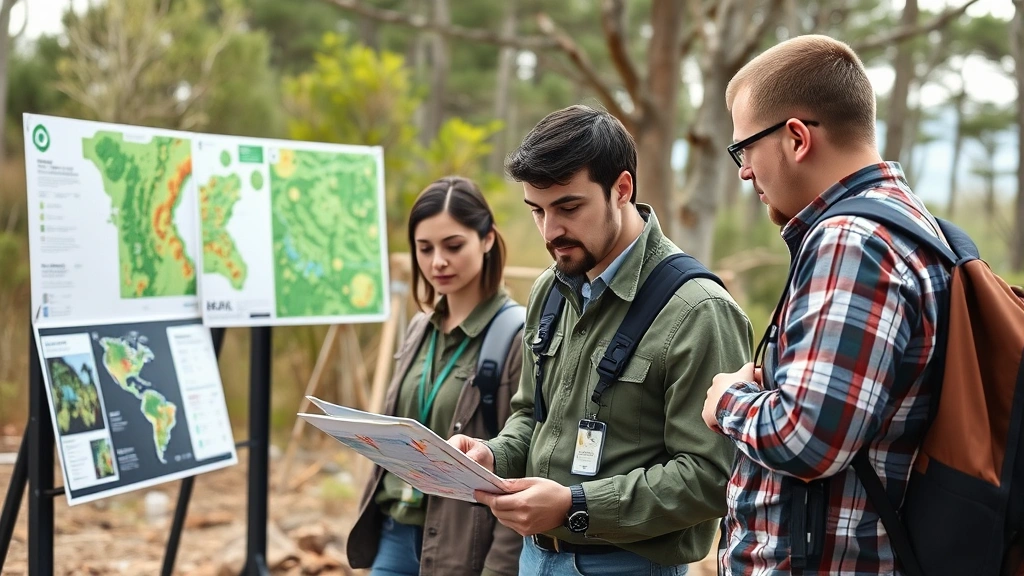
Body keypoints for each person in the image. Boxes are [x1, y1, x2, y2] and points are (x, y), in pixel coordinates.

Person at [450, 105, 753, 576]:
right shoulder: (548, 291)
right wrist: (493, 454)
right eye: (537, 211)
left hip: (629, 566)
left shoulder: (698, 310)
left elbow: (712, 477)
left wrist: (576, 506)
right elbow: (532, 416)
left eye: (568, 208)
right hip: (533, 559)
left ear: (622, 189)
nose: (551, 231)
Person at [703, 35, 953, 575]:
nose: (744, 172)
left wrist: (728, 399)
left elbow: (807, 438)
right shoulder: (909, 221)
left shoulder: (851, 240)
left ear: (795, 137)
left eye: (744, 148)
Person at [347, 176, 524, 576]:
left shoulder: (518, 336)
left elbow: (524, 465)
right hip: (394, 533)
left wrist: (500, 567)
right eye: (424, 249)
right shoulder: (418, 328)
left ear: (487, 239)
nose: (437, 262)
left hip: (464, 546)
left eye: (453, 246)